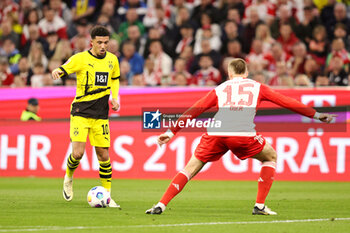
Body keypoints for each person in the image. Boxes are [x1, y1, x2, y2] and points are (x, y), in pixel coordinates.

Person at [145, 58, 336, 215]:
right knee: (270, 157)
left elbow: (195, 110)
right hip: (242, 134)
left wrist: (171, 132)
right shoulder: (258, 87)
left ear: (229, 73)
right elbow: (287, 102)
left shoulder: (221, 88)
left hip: (216, 132)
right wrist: (316, 115)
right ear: (246, 73)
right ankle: (259, 206)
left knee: (191, 167)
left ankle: (161, 204)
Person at [51, 25, 121, 208]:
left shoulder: (113, 60)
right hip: (81, 112)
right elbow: (64, 68)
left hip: (100, 115)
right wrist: (57, 71)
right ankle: (68, 176)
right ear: (92, 42)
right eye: (99, 42)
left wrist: (115, 97)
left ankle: (107, 195)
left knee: (104, 156)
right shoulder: (81, 59)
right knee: (78, 153)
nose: (103, 46)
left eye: (106, 42)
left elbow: (114, 78)